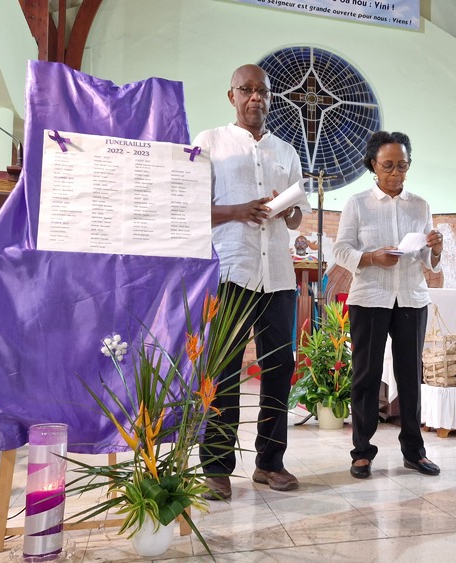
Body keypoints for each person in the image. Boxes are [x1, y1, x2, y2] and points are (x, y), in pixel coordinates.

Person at [193, 64, 309, 499]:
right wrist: (238, 210)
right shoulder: (210, 142)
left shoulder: (286, 151)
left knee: (279, 368)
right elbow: (193, 207)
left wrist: (287, 208)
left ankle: (270, 463)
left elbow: (296, 217)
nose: (255, 97)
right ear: (232, 96)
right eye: (246, 90)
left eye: (262, 91)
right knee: (223, 368)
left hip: (277, 273)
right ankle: (217, 467)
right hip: (231, 269)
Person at [333, 131, 444, 479]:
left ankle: (414, 452)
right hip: (370, 297)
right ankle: (362, 453)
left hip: (411, 297)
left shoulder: (420, 205)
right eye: (388, 166)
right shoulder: (357, 204)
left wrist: (436, 249)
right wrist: (371, 257)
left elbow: (428, 260)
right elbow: (340, 250)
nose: (396, 173)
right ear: (373, 165)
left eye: (403, 166)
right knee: (366, 376)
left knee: (410, 376)